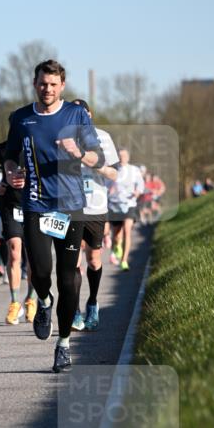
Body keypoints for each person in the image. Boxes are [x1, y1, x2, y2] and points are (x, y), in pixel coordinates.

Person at [5, 60, 104, 372]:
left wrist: (77, 152)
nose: (47, 89)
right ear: (34, 83)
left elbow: (97, 157)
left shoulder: (76, 115)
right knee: (41, 272)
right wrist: (11, 174)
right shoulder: (21, 118)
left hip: (71, 207)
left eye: (53, 84)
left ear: (62, 86)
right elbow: (9, 156)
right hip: (35, 205)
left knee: (68, 279)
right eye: (42, 83)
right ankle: (44, 302)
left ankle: (63, 344)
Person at [70, 99, 119, 331]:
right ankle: (75, 310)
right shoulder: (63, 136)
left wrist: (93, 163)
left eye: (83, 113)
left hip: (95, 208)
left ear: (89, 115)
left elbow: (114, 174)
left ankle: (92, 302)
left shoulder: (103, 137)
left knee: (94, 260)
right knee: (73, 262)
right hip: (69, 208)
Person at [0, 138, 35, 324]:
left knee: (33, 256)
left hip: (33, 206)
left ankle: (31, 299)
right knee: (14, 252)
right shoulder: (2, 148)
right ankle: (14, 303)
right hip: (10, 206)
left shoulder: (36, 144)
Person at [108, 148, 145, 271]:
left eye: (124, 156)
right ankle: (117, 245)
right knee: (117, 235)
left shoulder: (134, 170)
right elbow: (107, 186)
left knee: (127, 231)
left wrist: (137, 192)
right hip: (116, 204)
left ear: (128, 157)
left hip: (130, 204)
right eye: (120, 156)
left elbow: (141, 185)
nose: (122, 158)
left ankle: (124, 260)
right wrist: (110, 191)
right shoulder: (113, 171)